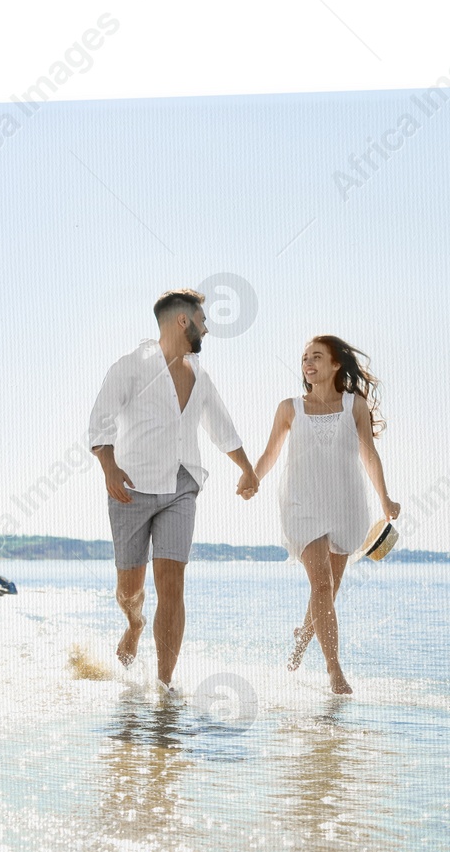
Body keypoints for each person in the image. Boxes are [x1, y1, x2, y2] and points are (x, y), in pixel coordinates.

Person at [88, 289, 258, 690]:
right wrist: (109, 467)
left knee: (172, 581)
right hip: (131, 487)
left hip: (183, 484)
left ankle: (165, 684)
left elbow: (221, 426)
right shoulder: (130, 367)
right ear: (183, 321)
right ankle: (134, 623)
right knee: (130, 589)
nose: (207, 329)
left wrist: (247, 468)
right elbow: (100, 421)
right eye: (203, 321)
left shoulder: (200, 374)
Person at [253, 336, 400, 694]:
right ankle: (335, 672)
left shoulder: (356, 407)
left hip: (345, 502)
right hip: (301, 503)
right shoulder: (289, 408)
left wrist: (385, 499)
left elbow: (369, 455)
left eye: (316, 357)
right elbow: (271, 452)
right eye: (304, 358)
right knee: (321, 584)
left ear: (336, 364)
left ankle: (303, 639)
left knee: (328, 589)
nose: (308, 363)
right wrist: (252, 478)